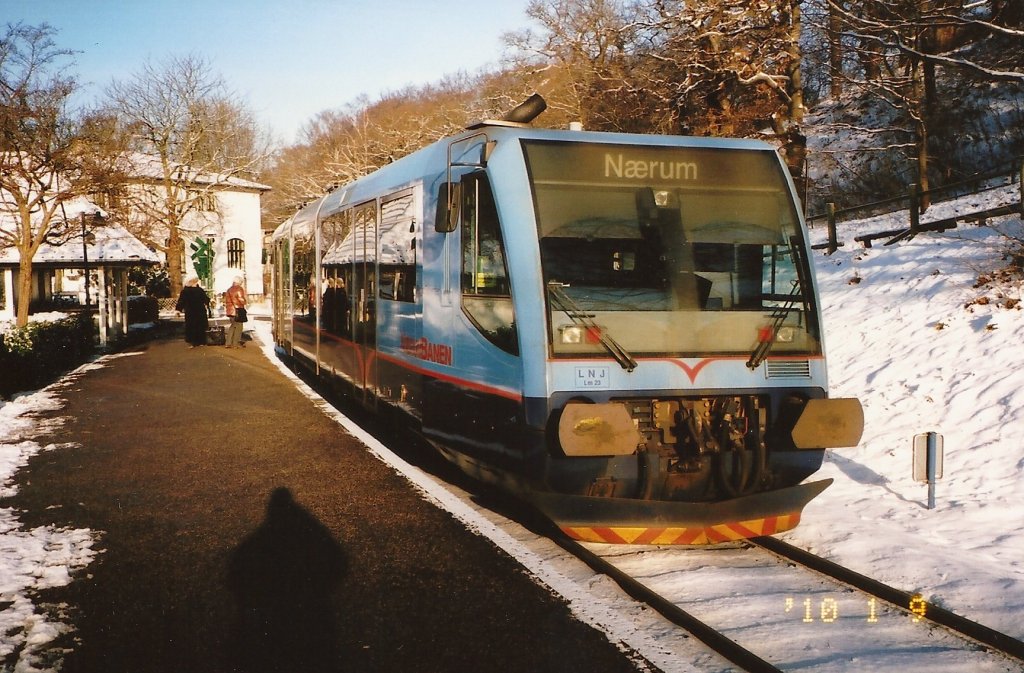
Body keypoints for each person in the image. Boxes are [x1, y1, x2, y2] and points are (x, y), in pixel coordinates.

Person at [174, 277, 210, 348]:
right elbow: (206, 299)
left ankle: (192, 342)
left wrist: (178, 310)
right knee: (200, 326)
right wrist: (207, 303)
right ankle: (201, 341)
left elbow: (181, 301)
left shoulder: (185, 291)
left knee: (191, 326)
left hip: (190, 312)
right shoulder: (200, 290)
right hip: (200, 311)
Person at [224, 276, 247, 348]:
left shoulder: (229, 289)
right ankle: (235, 344)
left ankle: (228, 343)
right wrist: (245, 302)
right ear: (239, 282)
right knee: (239, 327)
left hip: (230, 311)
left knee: (233, 326)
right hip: (237, 310)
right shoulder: (239, 289)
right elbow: (241, 299)